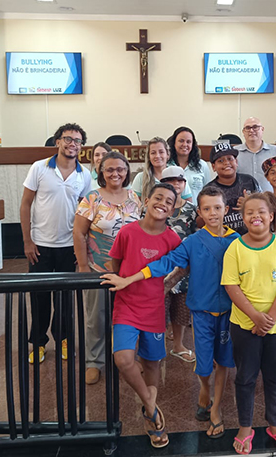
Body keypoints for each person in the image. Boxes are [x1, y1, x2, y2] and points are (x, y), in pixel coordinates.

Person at [103, 185, 239, 439]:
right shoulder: (192, 241)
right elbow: (166, 263)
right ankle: (199, 391)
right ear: (199, 212)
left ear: (226, 209)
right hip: (200, 312)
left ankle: (216, 408)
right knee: (203, 363)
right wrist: (132, 279)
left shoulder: (237, 241)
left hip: (230, 312)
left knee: (224, 361)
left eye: (217, 208)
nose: (213, 213)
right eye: (207, 208)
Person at [100, 183, 182, 448]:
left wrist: (167, 284)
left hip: (154, 308)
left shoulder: (172, 238)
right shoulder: (127, 232)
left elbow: (183, 265)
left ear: (173, 209)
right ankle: (151, 405)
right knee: (123, 359)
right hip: (126, 305)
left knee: (152, 362)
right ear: (146, 201)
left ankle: (150, 414)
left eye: (169, 201)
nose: (162, 203)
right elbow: (117, 264)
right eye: (158, 198)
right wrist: (123, 280)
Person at [221, 192, 276, 454]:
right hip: (244, 325)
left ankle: (275, 424)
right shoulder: (235, 248)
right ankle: (245, 426)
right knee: (245, 376)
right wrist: (255, 317)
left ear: (272, 215)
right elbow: (231, 286)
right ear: (243, 218)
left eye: (261, 212)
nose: (256, 216)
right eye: (250, 212)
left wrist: (269, 320)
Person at [20, 123, 93, 365]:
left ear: (81, 146)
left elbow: (86, 213)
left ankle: (64, 339)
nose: (73, 144)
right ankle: (38, 343)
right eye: (68, 139)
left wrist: (82, 249)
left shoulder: (84, 175)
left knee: (65, 299)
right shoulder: (39, 168)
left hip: (69, 246)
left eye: (78, 141)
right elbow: (25, 204)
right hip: (40, 245)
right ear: (58, 141)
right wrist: (27, 241)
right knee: (39, 297)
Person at [73, 151, 142, 385]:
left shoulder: (135, 197)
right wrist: (83, 266)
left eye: (120, 169)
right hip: (98, 268)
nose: (115, 173)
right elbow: (79, 233)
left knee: (128, 317)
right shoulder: (92, 198)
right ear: (101, 172)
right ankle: (94, 361)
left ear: (126, 171)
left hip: (129, 272)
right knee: (97, 317)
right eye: (109, 169)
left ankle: (127, 357)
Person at [159, 166, 197, 363]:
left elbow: (196, 236)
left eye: (180, 180)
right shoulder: (156, 207)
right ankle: (156, 349)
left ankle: (178, 345)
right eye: (171, 181)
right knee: (159, 310)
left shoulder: (192, 210)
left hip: (184, 269)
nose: (176, 184)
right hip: (161, 267)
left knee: (182, 309)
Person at [207, 142, 259, 235]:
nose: (226, 163)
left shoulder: (249, 181)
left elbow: (264, 207)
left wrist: (250, 204)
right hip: (223, 238)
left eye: (230, 159)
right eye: (220, 161)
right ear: (213, 167)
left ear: (236, 162)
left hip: (251, 236)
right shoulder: (209, 190)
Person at [131, 137, 192, 202]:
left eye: (161, 152)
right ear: (149, 156)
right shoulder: (140, 178)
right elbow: (134, 204)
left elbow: (188, 204)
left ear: (167, 155)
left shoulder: (179, 175)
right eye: (153, 153)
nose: (157, 156)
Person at [234, 117, 276, 192]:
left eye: (255, 127)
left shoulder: (275, 151)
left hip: (270, 198)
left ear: (262, 129)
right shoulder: (235, 153)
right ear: (243, 132)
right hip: (242, 198)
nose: (251, 130)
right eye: (248, 128)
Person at [167, 126, 212, 204]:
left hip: (196, 210)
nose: (185, 144)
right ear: (174, 143)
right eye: (181, 141)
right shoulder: (166, 165)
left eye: (188, 142)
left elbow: (208, 193)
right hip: (171, 210)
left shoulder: (202, 165)